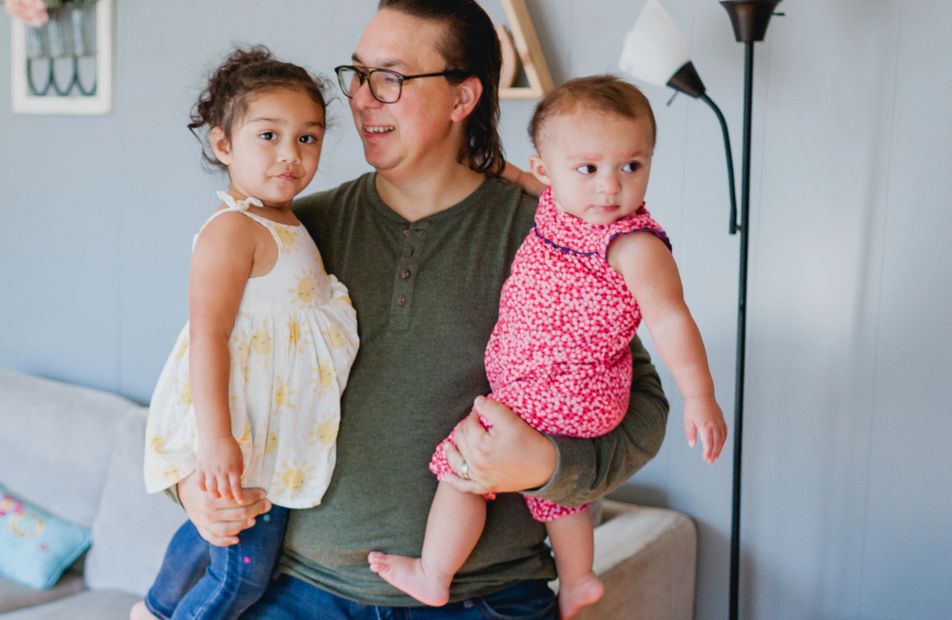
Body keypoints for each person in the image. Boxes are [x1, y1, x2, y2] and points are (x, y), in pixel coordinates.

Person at [175, 2, 671, 618]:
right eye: (357, 75)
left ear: (463, 98)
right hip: (296, 591)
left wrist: (550, 464)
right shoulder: (294, 231)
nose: (359, 99)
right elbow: (200, 373)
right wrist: (190, 487)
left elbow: (643, 404)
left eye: (390, 78)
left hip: (485, 599)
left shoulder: (552, 235)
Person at [367, 75, 728, 618]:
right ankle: (579, 579)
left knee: (463, 469)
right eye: (589, 168)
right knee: (561, 498)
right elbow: (521, 176)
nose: (611, 187)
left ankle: (433, 573)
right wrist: (492, 166)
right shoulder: (561, 206)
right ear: (547, 171)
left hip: (564, 388)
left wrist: (700, 395)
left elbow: (671, 319)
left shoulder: (631, 242)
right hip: (555, 390)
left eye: (632, 166)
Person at [133, 46, 359, 620]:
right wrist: (217, 439)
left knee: (216, 539)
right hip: (243, 431)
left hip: (274, 424)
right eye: (268, 136)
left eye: (308, 138)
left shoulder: (289, 219)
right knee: (242, 577)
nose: (291, 154)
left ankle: (154, 609)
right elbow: (208, 334)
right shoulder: (234, 229)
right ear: (223, 144)